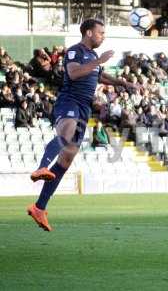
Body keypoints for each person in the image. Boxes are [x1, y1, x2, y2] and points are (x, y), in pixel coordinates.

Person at [27, 19, 136, 231]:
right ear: (88, 33)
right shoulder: (74, 51)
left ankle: (39, 207)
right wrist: (99, 61)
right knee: (66, 132)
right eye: (100, 32)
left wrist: (121, 83)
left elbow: (98, 75)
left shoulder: (93, 56)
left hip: (84, 108)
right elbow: (74, 73)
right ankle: (41, 167)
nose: (103, 36)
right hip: (70, 101)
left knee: (67, 159)